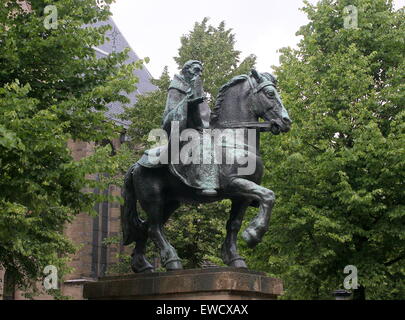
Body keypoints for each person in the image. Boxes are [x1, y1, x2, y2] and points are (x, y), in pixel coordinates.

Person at [162, 60, 218, 196]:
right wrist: (188, 101)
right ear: (186, 71)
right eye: (196, 70)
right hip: (182, 130)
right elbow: (171, 113)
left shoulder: (197, 88)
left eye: (200, 71)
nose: (198, 74)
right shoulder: (176, 87)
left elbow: (205, 114)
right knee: (204, 142)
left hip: (202, 129)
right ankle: (207, 182)